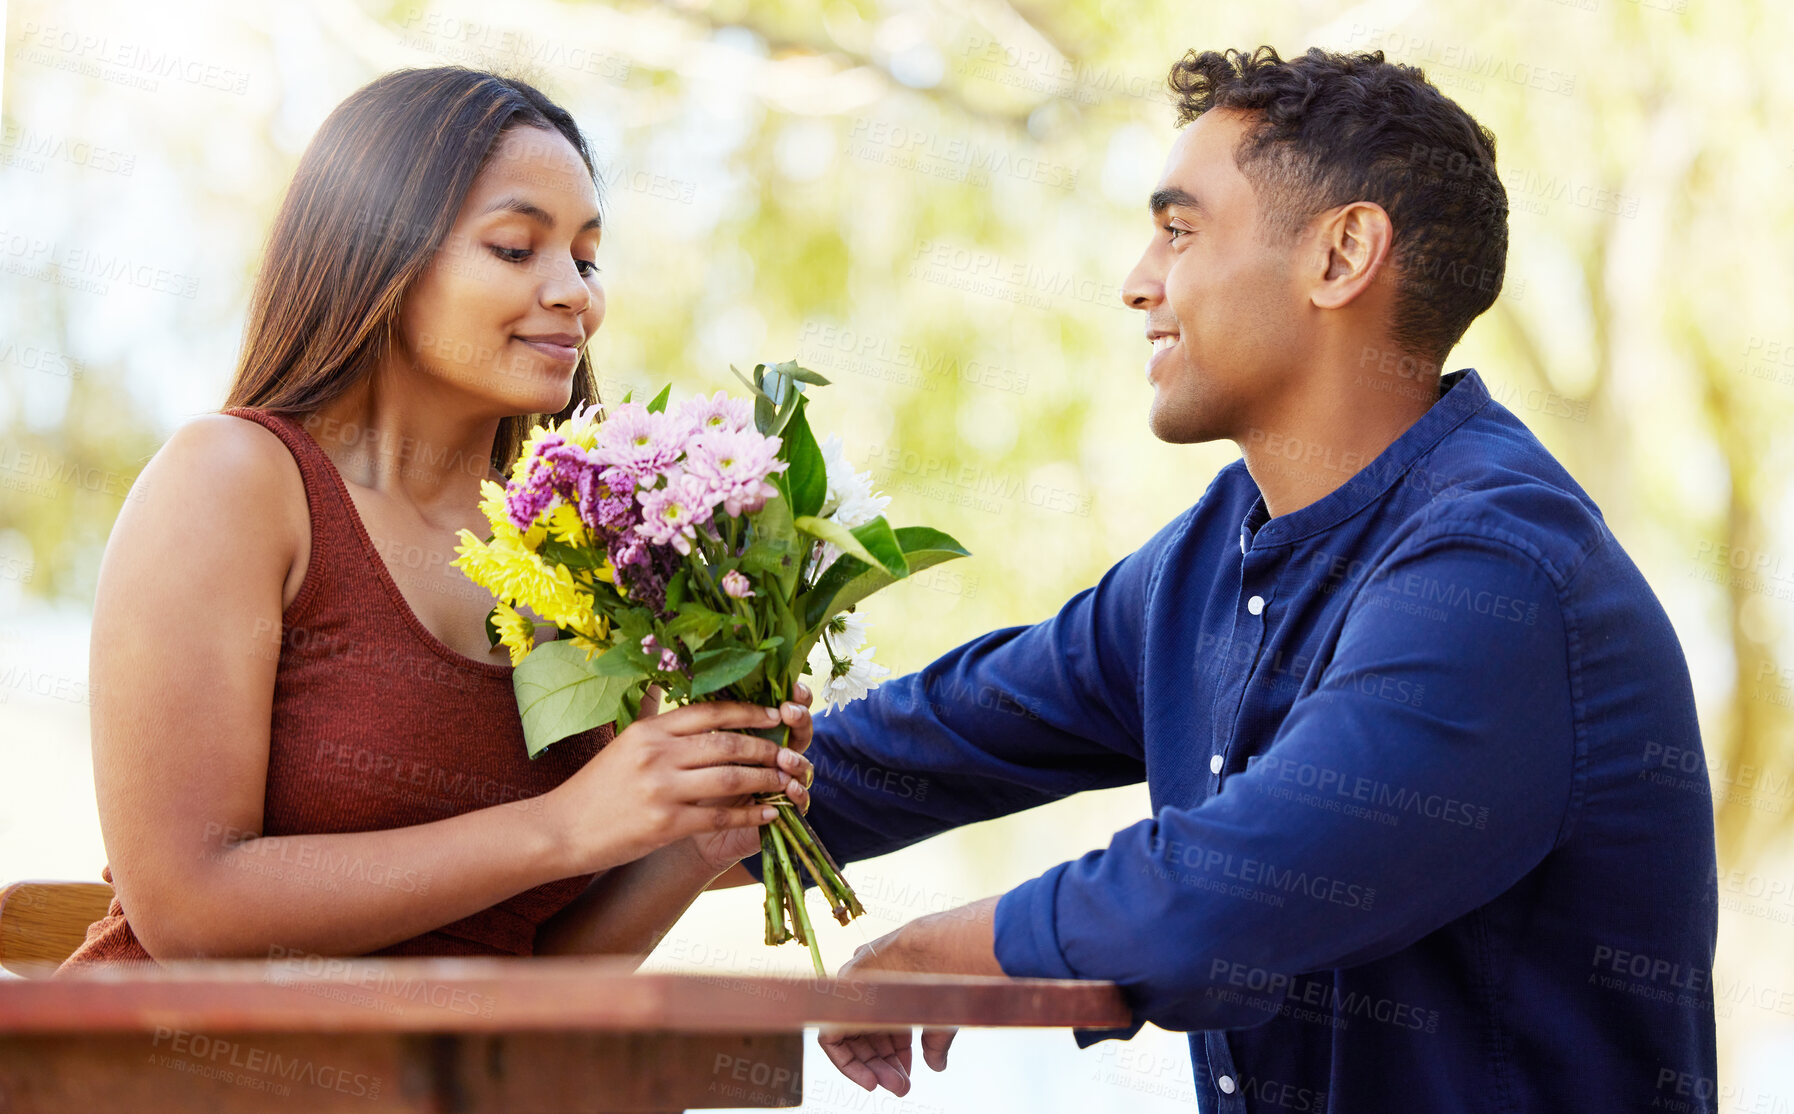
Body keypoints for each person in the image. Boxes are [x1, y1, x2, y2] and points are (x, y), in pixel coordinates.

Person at [722, 45, 1719, 1111]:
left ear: (1341, 255)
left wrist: (937, 950)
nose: (1137, 280)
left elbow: (1221, 896)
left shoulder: (1503, 574)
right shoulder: (1212, 557)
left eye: (1181, 229)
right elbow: (930, 742)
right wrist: (590, 811)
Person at [58, 66, 815, 970]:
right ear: (378, 254)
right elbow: (189, 907)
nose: (574, 291)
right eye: (514, 248)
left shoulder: (592, 556)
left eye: (586, 256)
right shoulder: (236, 482)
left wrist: (702, 823)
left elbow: (533, 981)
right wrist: (563, 826)